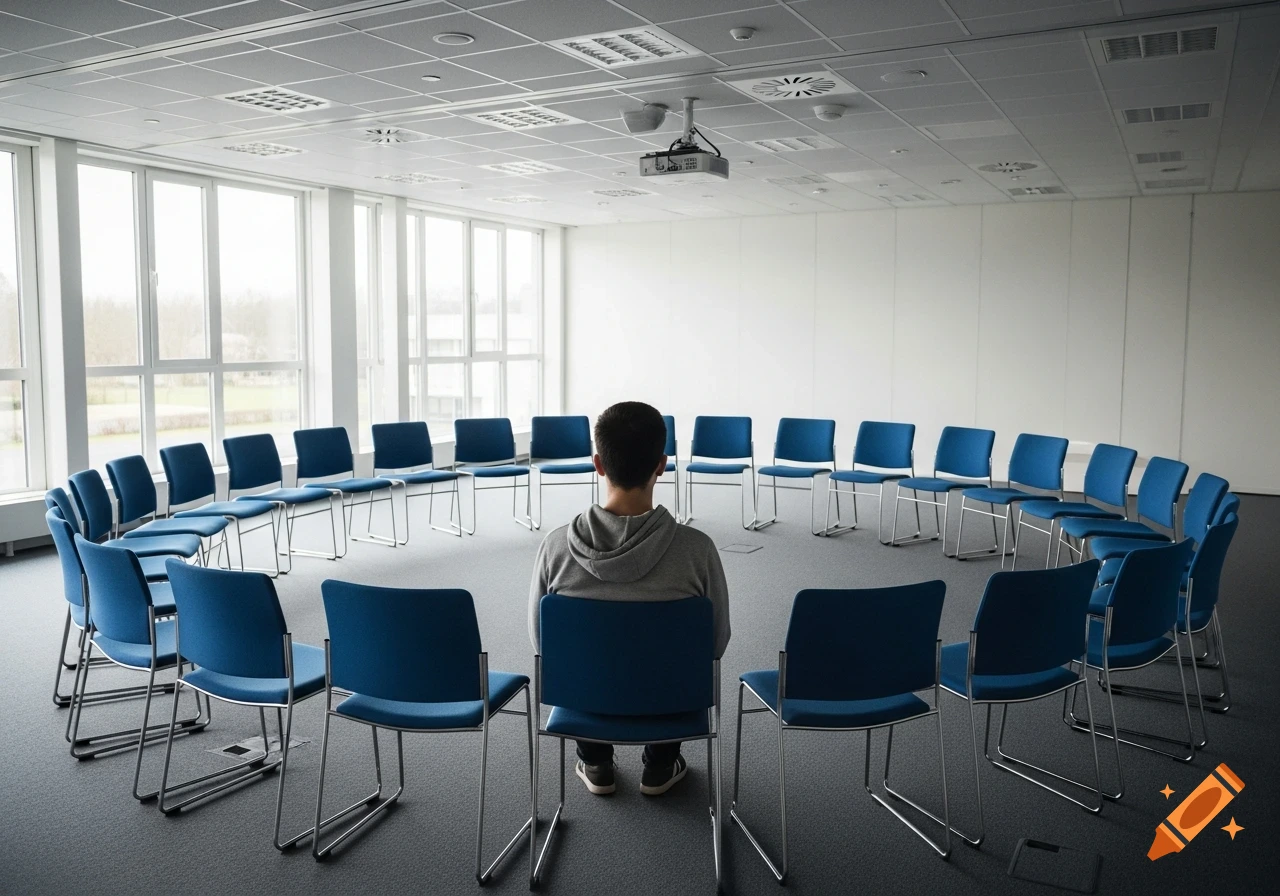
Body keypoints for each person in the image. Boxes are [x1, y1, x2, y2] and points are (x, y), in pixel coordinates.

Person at [528, 401, 730, 797]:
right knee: (677, 661)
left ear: (598, 464)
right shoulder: (697, 550)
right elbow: (716, 643)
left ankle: (595, 760)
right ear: (662, 464)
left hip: (587, 696)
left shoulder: (554, 549)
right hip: (670, 698)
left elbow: (543, 643)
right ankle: (660, 764)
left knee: (579, 654)